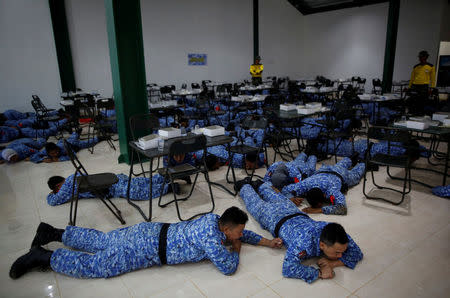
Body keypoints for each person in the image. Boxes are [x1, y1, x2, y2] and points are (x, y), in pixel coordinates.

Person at [9, 207, 283, 279]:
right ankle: (43, 257)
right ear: (225, 229)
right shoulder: (213, 238)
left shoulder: (215, 220)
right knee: (100, 265)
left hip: (150, 231)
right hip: (149, 249)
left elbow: (239, 234)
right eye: (237, 233)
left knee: (103, 240)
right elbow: (228, 268)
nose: (240, 236)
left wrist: (268, 242)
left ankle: (53, 232)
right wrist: (236, 250)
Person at [239, 182, 363, 283]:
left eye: (341, 252)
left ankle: (261, 185)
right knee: (252, 200)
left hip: (291, 209)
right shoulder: (303, 242)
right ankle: (245, 185)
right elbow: (288, 268)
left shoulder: (336, 234)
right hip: (272, 216)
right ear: (322, 245)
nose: (341, 255)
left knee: (270, 192)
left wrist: (333, 263)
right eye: (337, 253)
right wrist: (319, 273)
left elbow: (357, 253)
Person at [282, 157, 365, 215]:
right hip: (327, 169)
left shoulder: (331, 190)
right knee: (341, 164)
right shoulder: (304, 185)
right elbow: (285, 189)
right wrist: (291, 198)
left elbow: (342, 208)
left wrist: (319, 210)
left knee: (356, 176)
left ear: (324, 196)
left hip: (340, 174)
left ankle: (363, 162)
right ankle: (351, 158)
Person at [45, 172, 177, 206]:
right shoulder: (74, 181)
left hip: (110, 187)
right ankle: (166, 176)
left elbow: (53, 201)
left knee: (133, 192)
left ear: (58, 186)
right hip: (113, 179)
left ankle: (169, 187)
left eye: (58, 190)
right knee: (140, 182)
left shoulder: (69, 184)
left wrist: (52, 194)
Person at [30, 132, 98, 163]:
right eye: (52, 153)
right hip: (64, 141)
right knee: (73, 136)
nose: (55, 154)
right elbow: (35, 156)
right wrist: (42, 159)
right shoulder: (45, 151)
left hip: (73, 145)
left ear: (57, 148)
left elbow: (73, 156)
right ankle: (76, 132)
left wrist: (58, 159)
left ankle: (100, 138)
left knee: (89, 142)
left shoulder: (63, 148)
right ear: (48, 153)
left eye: (56, 152)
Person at [407, 50, 436, 115]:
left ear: (426, 57)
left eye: (422, 57)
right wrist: (409, 87)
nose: (420, 58)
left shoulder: (431, 66)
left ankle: (421, 114)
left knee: (423, 101)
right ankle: (413, 114)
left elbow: (433, 78)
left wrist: (432, 87)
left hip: (424, 86)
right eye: (419, 57)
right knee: (413, 101)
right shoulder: (416, 67)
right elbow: (412, 78)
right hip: (415, 86)